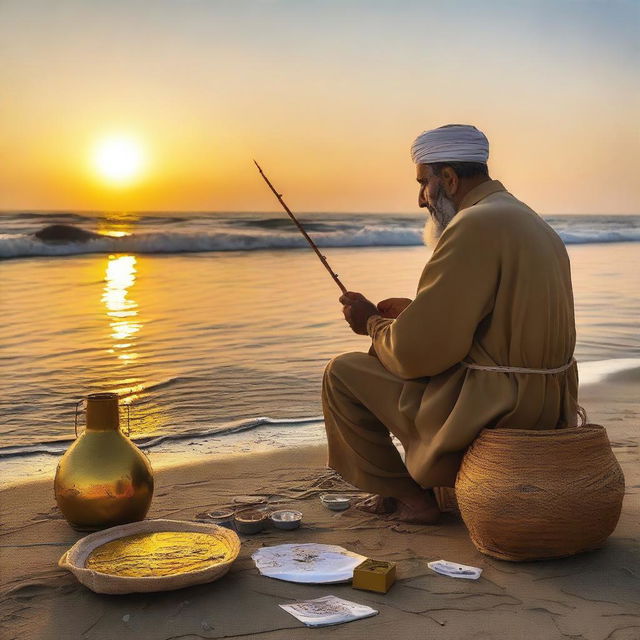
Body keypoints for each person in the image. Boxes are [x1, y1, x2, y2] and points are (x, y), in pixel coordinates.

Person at [322, 124, 579, 524]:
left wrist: (371, 322)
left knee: (342, 372)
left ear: (450, 178)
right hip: (545, 405)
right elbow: (500, 323)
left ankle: (411, 498)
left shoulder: (473, 224)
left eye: (424, 183)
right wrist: (409, 312)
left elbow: (416, 355)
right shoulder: (527, 219)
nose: (421, 199)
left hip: (494, 409)